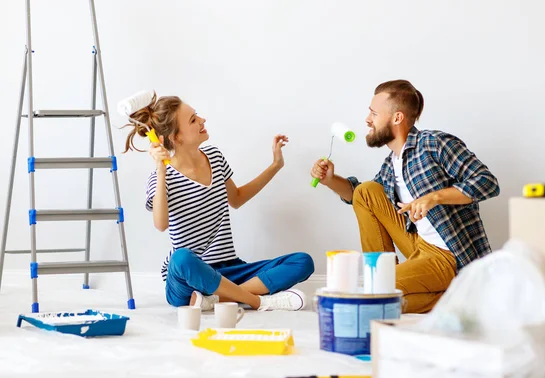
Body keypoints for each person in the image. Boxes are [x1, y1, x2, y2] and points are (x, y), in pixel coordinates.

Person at [310, 80, 500, 313]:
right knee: (366, 191)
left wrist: (434, 197)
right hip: (419, 245)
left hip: (450, 255)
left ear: (397, 118)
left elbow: (487, 182)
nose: (367, 120)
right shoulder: (392, 163)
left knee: (373, 296)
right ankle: (381, 272)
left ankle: (458, 298)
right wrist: (330, 180)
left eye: (373, 113)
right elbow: (358, 197)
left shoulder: (435, 143)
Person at [123, 92, 314, 311]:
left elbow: (237, 198)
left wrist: (275, 166)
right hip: (189, 277)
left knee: (302, 261)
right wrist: (160, 169)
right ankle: (256, 300)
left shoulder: (214, 156)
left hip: (229, 270)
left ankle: (215, 299)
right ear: (177, 138)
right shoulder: (163, 176)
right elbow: (161, 224)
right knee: (182, 258)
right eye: (193, 120)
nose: (202, 120)